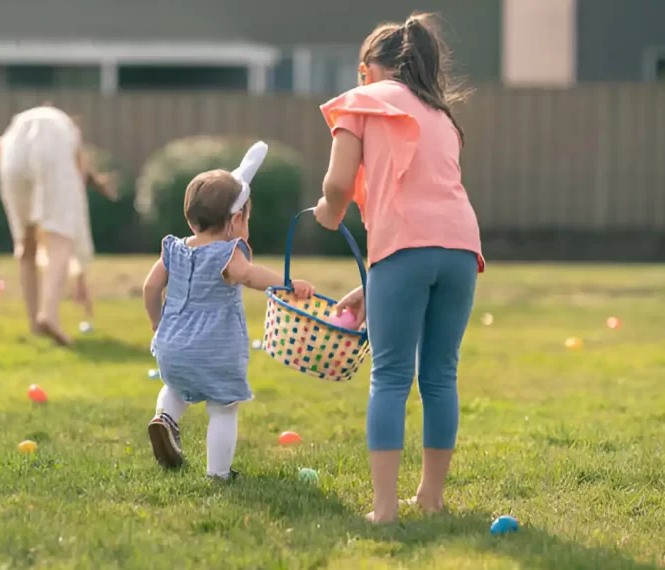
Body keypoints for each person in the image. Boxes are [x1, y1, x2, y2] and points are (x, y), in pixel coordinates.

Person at [313, 13, 485, 522]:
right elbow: (427, 203)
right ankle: (430, 500)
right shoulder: (441, 115)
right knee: (439, 377)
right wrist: (373, 287)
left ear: (368, 70)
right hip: (459, 250)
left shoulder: (359, 101)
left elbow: (339, 184)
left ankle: (384, 510)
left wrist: (328, 212)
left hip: (405, 250)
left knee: (389, 378)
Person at [142, 141, 314, 480]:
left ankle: (165, 419)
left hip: (171, 345)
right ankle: (218, 473)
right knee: (224, 408)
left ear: (191, 220)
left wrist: (156, 324)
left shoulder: (173, 249)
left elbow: (150, 287)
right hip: (215, 349)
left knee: (176, 387)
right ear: (236, 219)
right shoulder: (227, 252)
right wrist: (287, 283)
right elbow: (248, 275)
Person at [0, 105, 116, 345]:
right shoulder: (65, 133)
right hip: (48, 157)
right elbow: (76, 219)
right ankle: (49, 314)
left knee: (26, 244)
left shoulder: (21, 130)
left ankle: (35, 322)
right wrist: (81, 277)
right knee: (60, 238)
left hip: (13, 157)